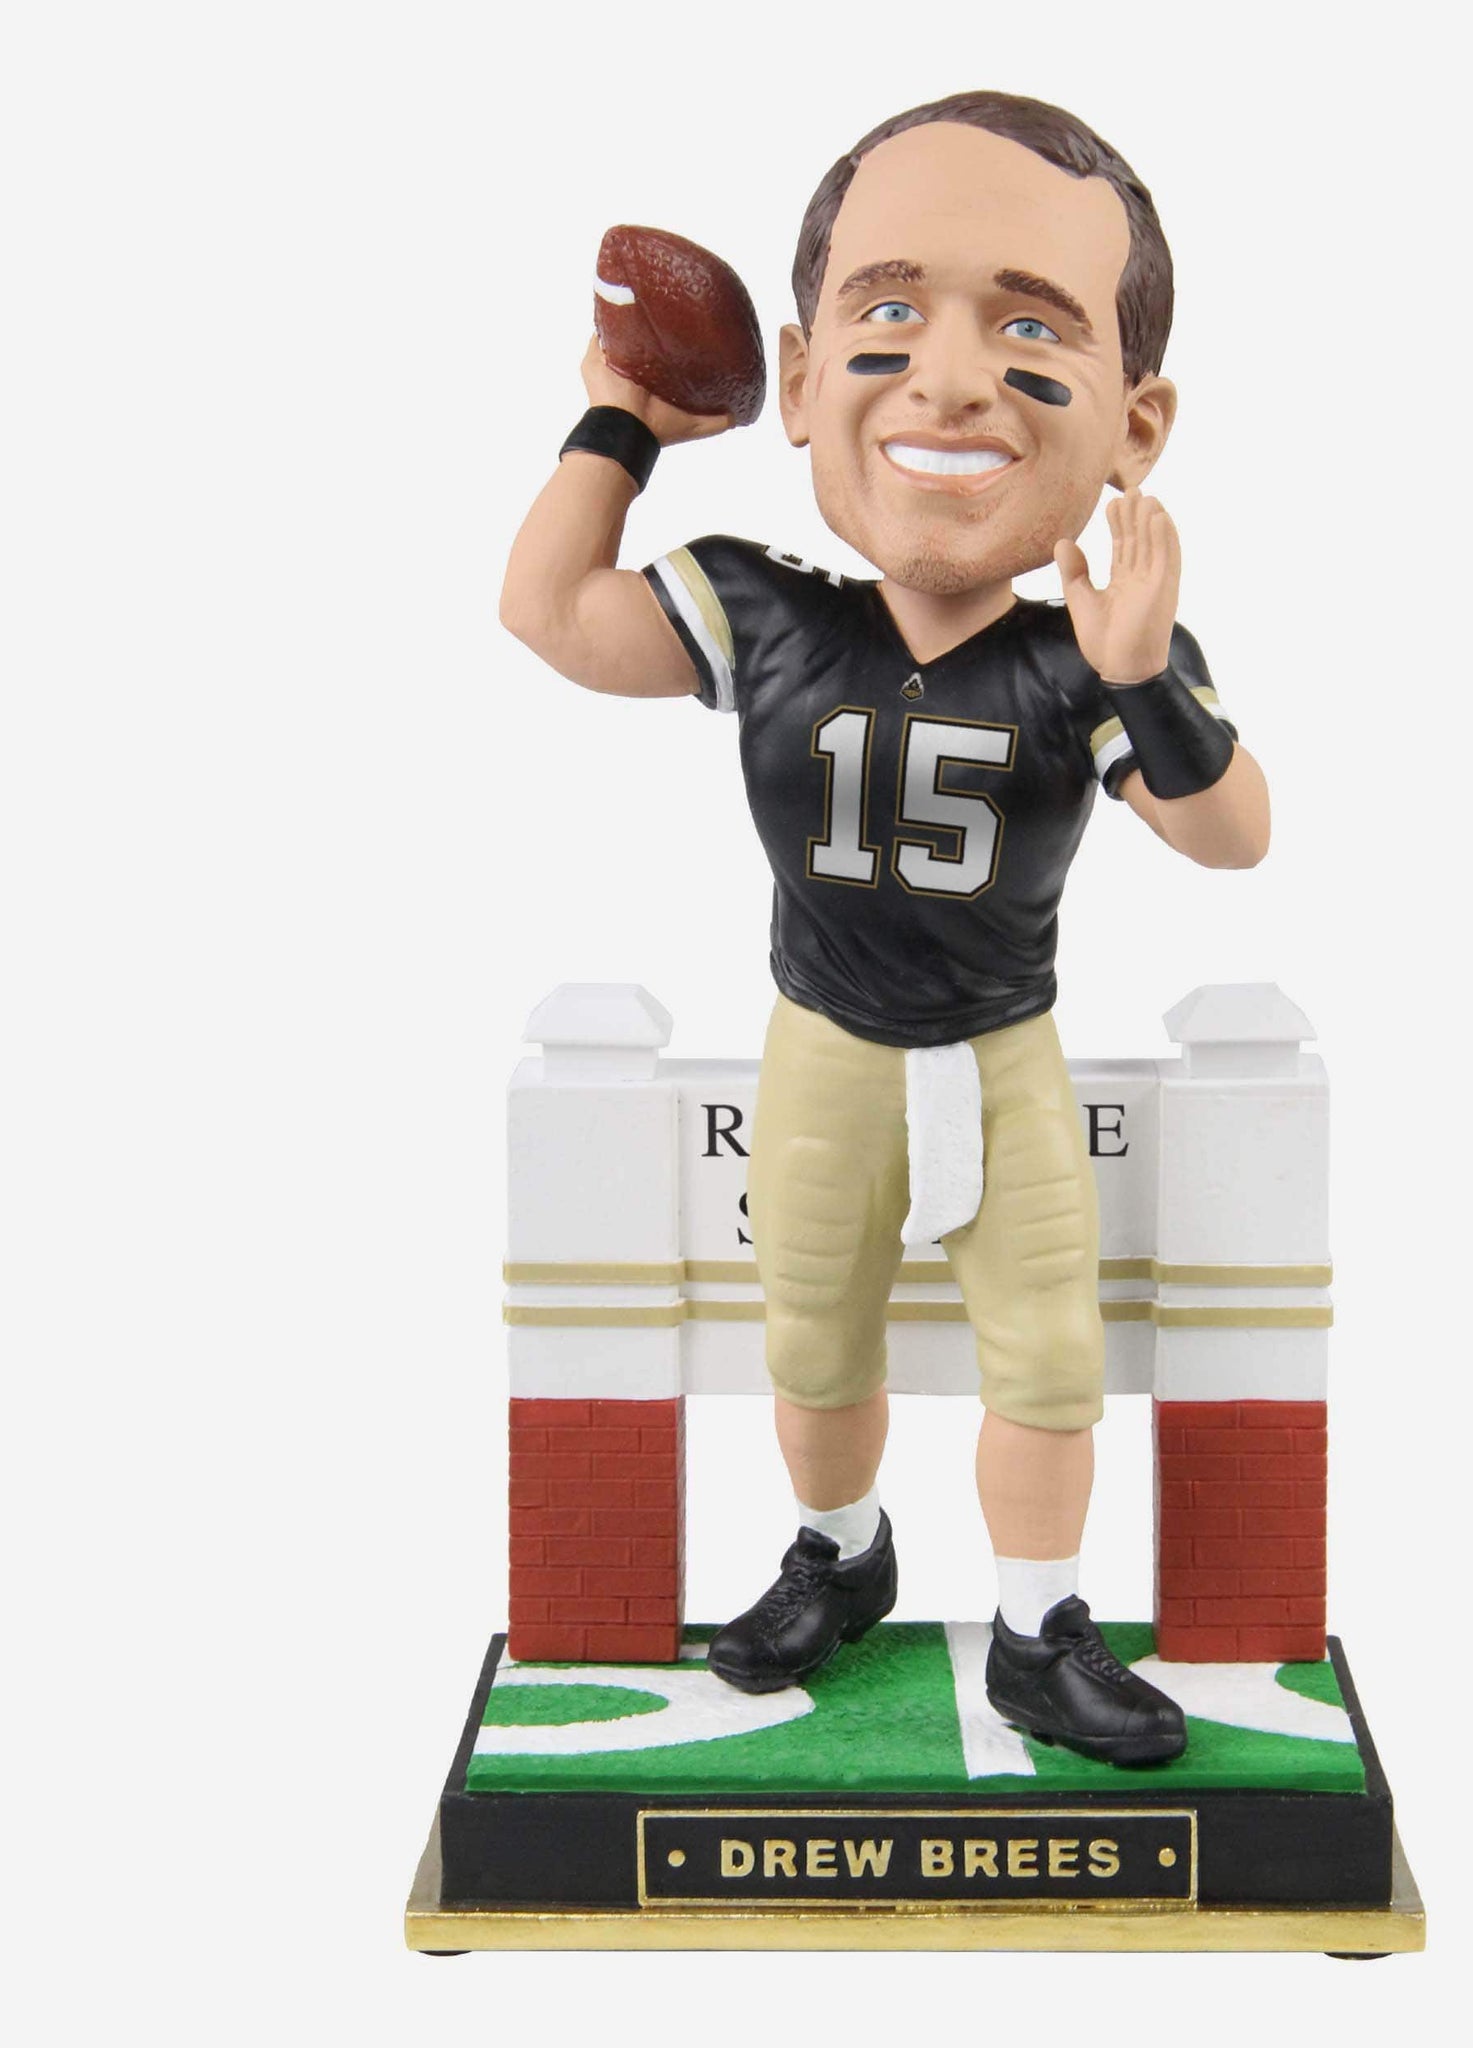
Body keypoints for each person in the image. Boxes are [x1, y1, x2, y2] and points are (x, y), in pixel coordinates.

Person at [501, 92, 1270, 1765]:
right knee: (812, 1338)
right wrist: (622, 420)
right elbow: (547, 610)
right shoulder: (770, 615)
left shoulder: (1085, 657)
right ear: (798, 380)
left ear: (1134, 423)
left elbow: (1233, 833)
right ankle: (841, 1555)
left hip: (1002, 1055)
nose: (951, 380)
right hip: (827, 1043)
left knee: (1046, 1358)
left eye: (1030, 328)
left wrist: (1145, 680)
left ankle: (1040, 1629)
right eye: (892, 314)